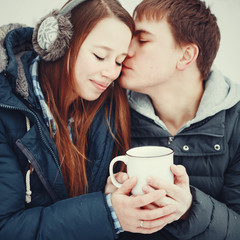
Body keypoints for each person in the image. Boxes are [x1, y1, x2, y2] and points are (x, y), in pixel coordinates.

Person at [0, 0, 166, 239]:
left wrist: (112, 196)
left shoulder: (110, 106)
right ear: (58, 43)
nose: (111, 72)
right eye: (100, 56)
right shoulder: (7, 110)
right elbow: (6, 229)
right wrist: (106, 212)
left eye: (119, 61)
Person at [111, 0, 240, 239]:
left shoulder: (236, 122)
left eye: (143, 39)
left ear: (186, 55)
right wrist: (105, 202)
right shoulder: (110, 109)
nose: (126, 50)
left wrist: (190, 210)